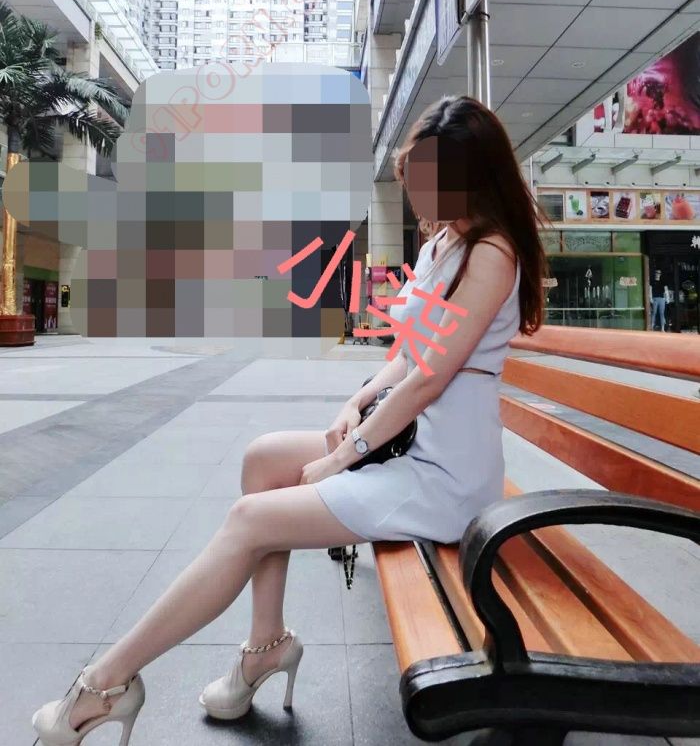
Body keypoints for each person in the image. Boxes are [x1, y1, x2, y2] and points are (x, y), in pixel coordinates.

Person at [31, 95, 547, 745]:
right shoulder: (443, 240)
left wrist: (343, 455)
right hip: (411, 444)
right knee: (262, 458)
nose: (418, 191)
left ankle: (105, 684)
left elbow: (430, 377)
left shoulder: (491, 252)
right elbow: (407, 356)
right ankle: (266, 645)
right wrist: (354, 404)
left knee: (250, 520)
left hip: (446, 475)